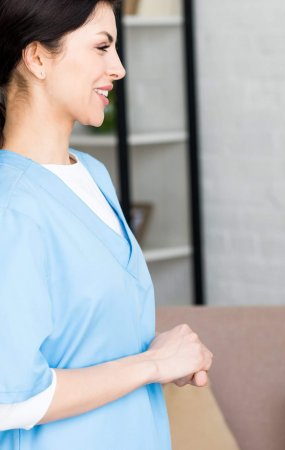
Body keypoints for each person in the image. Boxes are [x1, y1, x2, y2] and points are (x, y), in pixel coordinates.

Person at [0, 1, 213, 449]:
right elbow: (10, 399)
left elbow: (79, 338)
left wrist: (160, 353)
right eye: (102, 47)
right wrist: (152, 365)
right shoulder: (12, 205)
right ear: (37, 57)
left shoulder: (93, 174)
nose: (118, 68)